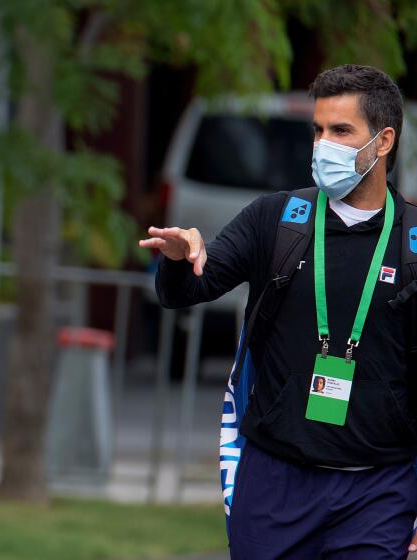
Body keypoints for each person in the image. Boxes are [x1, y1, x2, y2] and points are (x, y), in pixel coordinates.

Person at [141, 64, 417, 559]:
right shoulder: (277, 218)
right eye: (318, 130)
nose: (321, 145)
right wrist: (180, 259)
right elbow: (189, 289)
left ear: (382, 142)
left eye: (340, 131)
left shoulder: (413, 242)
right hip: (275, 481)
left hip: (378, 490)